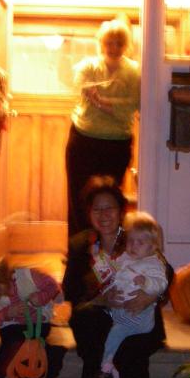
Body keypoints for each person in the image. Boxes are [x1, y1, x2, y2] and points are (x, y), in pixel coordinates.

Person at [62, 176, 173, 378]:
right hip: (105, 315)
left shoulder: (135, 236)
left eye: (109, 208)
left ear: (121, 210)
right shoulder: (82, 244)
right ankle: (94, 373)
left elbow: (166, 273)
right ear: (89, 214)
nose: (103, 215)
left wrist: (149, 297)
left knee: (134, 356)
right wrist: (100, 298)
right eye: (96, 209)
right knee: (85, 315)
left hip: (139, 317)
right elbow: (70, 289)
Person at [65, 18, 141, 236]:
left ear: (126, 45)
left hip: (116, 145)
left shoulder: (134, 72)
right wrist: (106, 103)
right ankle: (79, 248)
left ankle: (109, 247)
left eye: (119, 43)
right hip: (83, 140)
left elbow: (133, 105)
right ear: (101, 43)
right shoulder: (88, 66)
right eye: (109, 42)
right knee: (78, 197)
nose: (113, 48)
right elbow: (80, 86)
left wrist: (102, 102)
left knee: (111, 197)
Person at [89, 211, 168, 378]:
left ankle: (106, 367)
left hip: (138, 316)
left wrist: (146, 283)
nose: (133, 246)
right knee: (104, 329)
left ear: (153, 247)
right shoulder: (125, 257)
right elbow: (110, 272)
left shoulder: (153, 263)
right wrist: (99, 259)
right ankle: (115, 370)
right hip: (120, 310)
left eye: (140, 242)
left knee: (114, 335)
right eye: (131, 240)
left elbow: (161, 283)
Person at [0, 257, 64, 378]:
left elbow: (53, 287)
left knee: (48, 349)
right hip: (12, 325)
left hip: (39, 322)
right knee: (13, 343)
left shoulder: (31, 274)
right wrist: (6, 313)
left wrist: (40, 297)